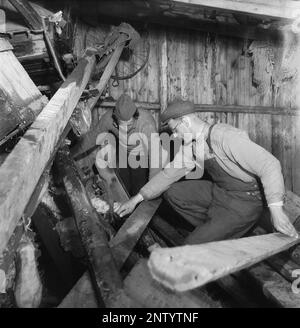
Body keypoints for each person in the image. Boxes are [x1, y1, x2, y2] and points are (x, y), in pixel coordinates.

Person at [114, 99, 298, 244]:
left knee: (192, 246)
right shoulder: (192, 144)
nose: (175, 136)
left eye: (175, 130)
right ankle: (216, 227)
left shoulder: (225, 137)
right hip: (221, 192)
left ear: (185, 121)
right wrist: (136, 199)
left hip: (245, 201)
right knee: (173, 192)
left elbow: (270, 165)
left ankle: (221, 230)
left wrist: (276, 210)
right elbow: (168, 174)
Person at [94, 93, 161, 196]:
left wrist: (152, 191)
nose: (126, 129)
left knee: (139, 187)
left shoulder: (146, 123)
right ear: (115, 119)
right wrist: (73, 152)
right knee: (123, 186)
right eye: (122, 125)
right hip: (122, 152)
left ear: (135, 117)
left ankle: (137, 206)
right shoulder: (108, 118)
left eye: (129, 124)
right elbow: (91, 137)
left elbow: (155, 157)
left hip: (141, 154)